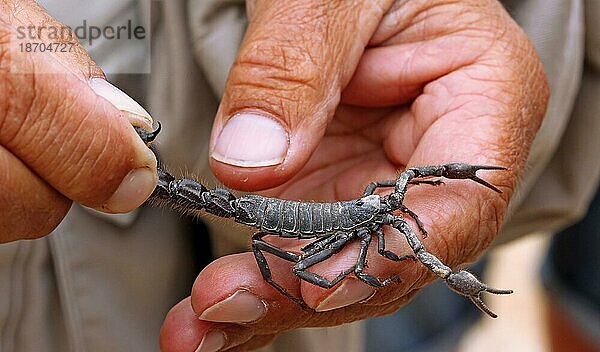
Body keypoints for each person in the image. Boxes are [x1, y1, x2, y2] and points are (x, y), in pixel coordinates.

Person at [0, 1, 597, 352]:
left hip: (302, 220)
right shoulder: (383, 207)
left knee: (351, 276)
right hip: (288, 218)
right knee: (350, 269)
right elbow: (371, 250)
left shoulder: (382, 200)